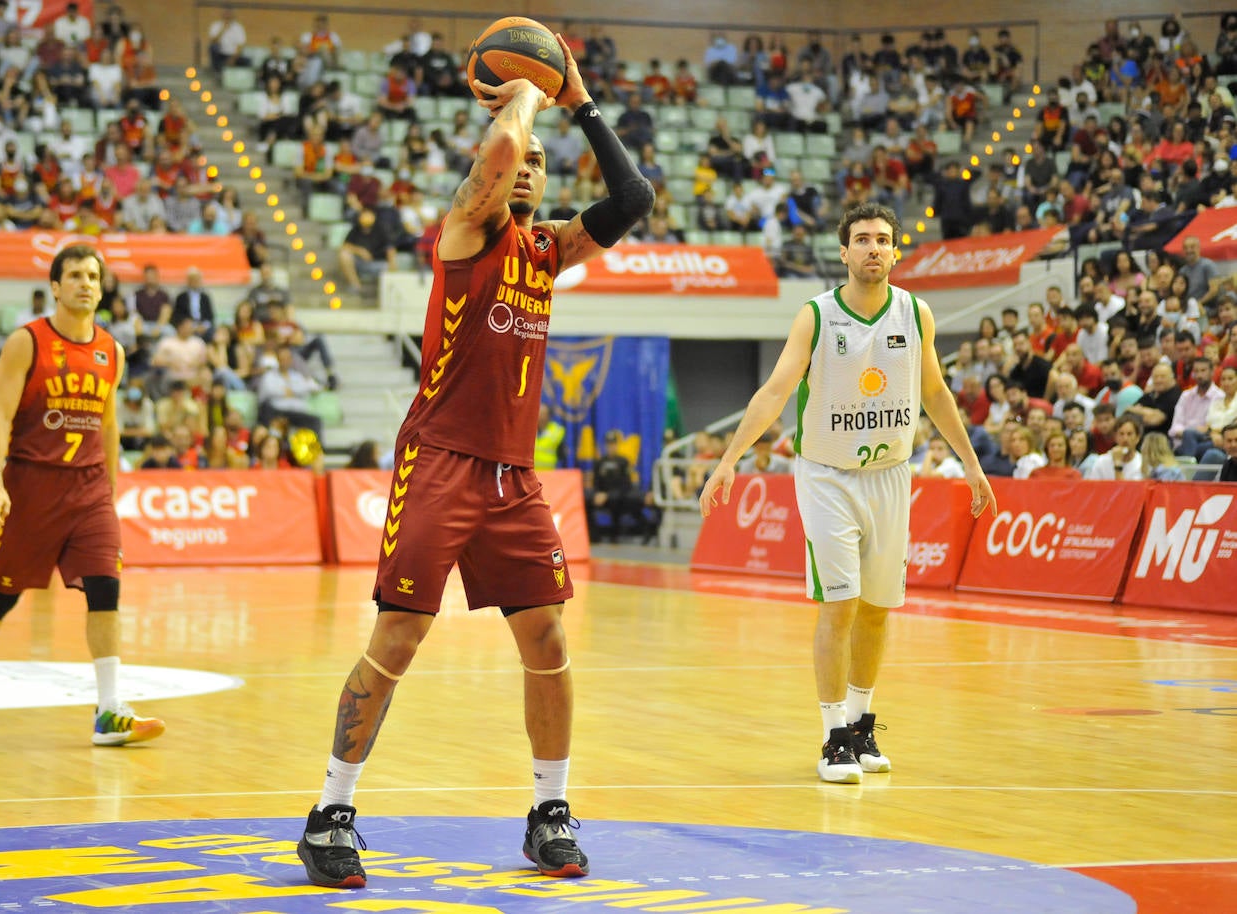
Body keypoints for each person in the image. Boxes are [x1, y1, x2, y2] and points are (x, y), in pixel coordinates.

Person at [295, 35, 654, 888]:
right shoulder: (465, 231)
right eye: (515, 161)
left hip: (513, 477)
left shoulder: (549, 252)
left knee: (548, 635)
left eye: (539, 164)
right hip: (442, 462)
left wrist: (582, 107)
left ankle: (550, 811)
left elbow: (633, 196)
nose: (525, 168)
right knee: (401, 635)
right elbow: (495, 151)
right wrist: (526, 91)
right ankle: (330, 812)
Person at [698, 202, 996, 785]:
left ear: (896, 250)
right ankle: (833, 734)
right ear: (843, 252)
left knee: (879, 609)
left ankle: (860, 726)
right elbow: (774, 390)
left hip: (891, 474)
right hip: (827, 475)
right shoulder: (816, 316)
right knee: (840, 605)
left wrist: (971, 464)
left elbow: (935, 392)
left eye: (883, 240)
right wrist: (729, 460)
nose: (873, 249)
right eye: (862, 240)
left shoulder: (916, 313)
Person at [0, 244, 163, 747]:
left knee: (106, 588)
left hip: (89, 490)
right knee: (1, 597)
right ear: (55, 287)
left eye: (94, 276)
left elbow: (108, 421)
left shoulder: (112, 350)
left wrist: (110, 490)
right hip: (31, 487)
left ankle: (108, 710)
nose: (86, 283)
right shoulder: (27, 342)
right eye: (76, 275)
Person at [1085, 414, 1144, 480]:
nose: (1125, 439)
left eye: (1129, 434)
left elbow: (1126, 490)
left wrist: (1118, 465)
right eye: (1121, 434)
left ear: (1137, 438)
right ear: (1115, 437)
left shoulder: (1142, 463)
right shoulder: (1102, 461)